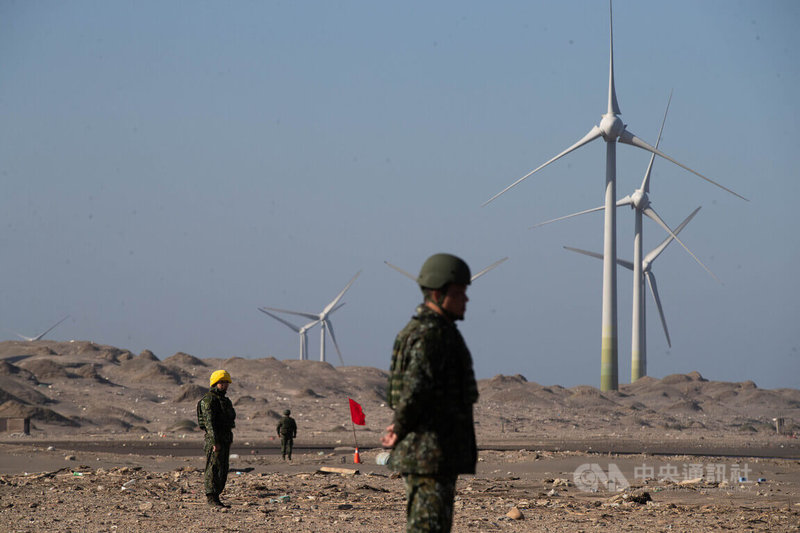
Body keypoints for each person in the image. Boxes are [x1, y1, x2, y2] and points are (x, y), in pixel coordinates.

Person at [381, 253, 479, 532]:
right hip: (429, 455)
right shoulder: (432, 335)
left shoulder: (429, 331)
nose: (466, 300)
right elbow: (415, 388)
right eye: (459, 293)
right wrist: (399, 428)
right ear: (438, 293)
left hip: (433, 455)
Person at [199, 369, 236, 507]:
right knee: (213, 468)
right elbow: (209, 423)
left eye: (226, 383)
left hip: (225, 438)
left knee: (223, 469)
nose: (225, 385)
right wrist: (215, 442)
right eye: (222, 382)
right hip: (215, 439)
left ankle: (217, 496)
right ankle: (211, 496)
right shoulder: (209, 400)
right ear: (215, 383)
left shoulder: (225, 401)